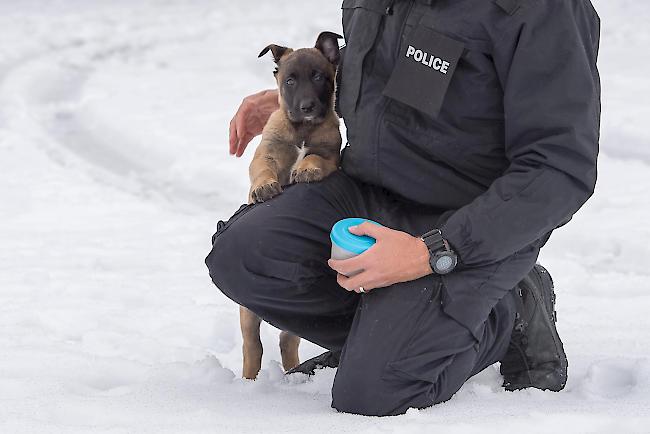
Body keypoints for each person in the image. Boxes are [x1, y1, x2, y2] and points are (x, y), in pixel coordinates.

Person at [206, 0, 600, 416]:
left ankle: (508, 312)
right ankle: (387, 336)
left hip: (469, 225)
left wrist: (432, 251)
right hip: (373, 193)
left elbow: (558, 169)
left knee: (375, 391)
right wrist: (303, 98)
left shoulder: (542, 9)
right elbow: (402, 89)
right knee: (241, 256)